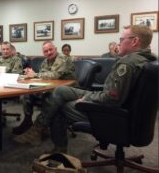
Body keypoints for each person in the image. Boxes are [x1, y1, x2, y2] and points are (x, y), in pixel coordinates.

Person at [15, 25, 156, 152]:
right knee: (60, 91)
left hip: (112, 113)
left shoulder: (128, 64)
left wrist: (87, 98)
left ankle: (54, 144)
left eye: (121, 39)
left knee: (57, 105)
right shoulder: (148, 59)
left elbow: (112, 98)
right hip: (122, 108)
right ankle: (39, 128)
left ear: (134, 41)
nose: (119, 42)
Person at [12, 41, 75, 137]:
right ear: (43, 53)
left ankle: (40, 127)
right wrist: (30, 74)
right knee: (28, 94)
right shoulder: (46, 61)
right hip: (51, 86)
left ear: (56, 49)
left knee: (48, 97)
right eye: (46, 51)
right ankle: (27, 121)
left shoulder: (63, 58)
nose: (49, 52)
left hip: (67, 89)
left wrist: (35, 74)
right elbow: (43, 75)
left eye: (50, 49)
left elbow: (54, 75)